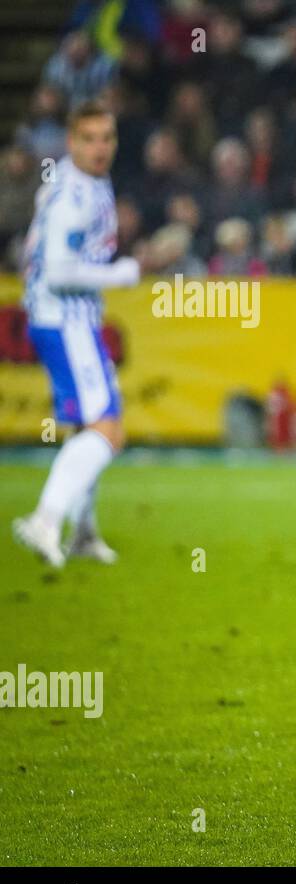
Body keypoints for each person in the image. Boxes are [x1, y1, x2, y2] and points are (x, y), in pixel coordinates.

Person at [13, 102, 140, 568]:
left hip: (66, 318)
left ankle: (83, 533)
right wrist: (120, 275)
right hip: (65, 318)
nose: (99, 147)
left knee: (87, 427)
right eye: (89, 138)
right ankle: (46, 520)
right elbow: (62, 271)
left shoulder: (85, 183)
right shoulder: (73, 197)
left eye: (106, 137)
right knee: (108, 429)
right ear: (71, 141)